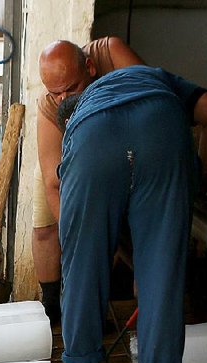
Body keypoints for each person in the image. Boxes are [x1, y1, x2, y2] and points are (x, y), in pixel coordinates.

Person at [56, 64, 207, 363]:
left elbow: (76, 227)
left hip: (93, 141)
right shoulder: (158, 76)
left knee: (82, 276)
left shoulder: (81, 114)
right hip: (164, 131)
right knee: (163, 284)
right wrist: (196, 182)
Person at [35, 36, 143, 322]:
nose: (63, 99)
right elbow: (53, 182)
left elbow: (149, 104)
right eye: (54, 93)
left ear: (91, 68)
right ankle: (52, 307)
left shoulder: (112, 53)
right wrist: (75, 240)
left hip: (120, 147)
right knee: (47, 226)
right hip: (69, 158)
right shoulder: (50, 107)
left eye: (70, 89)